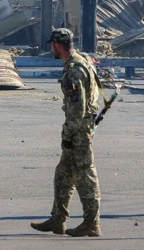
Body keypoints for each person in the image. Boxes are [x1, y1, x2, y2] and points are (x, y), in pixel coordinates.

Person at [31, 28, 102, 237]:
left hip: (78, 131)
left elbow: (78, 108)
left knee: (85, 176)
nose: (51, 49)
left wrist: (68, 134)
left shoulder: (74, 69)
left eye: (52, 45)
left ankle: (92, 223)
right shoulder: (83, 60)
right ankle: (57, 219)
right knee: (63, 174)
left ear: (57, 46)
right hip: (79, 128)